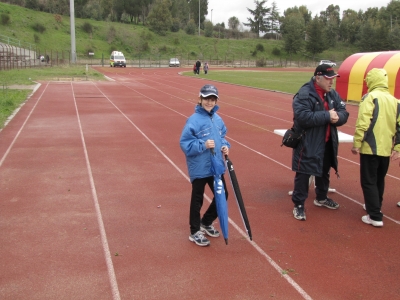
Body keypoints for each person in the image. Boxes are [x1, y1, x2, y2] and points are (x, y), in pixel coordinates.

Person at [291, 64, 349, 221]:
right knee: (304, 172)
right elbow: (303, 117)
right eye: (329, 79)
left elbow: (344, 112)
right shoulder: (304, 94)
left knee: (324, 170)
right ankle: (299, 204)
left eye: (333, 79)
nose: (332, 82)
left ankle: (321, 197)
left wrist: (338, 118)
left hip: (327, 141)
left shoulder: (332, 94)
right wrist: (327, 116)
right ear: (318, 78)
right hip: (308, 142)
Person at [180, 84, 230, 246]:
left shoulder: (218, 119)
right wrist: (202, 144)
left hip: (216, 165)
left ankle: (206, 221)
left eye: (213, 99)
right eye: (207, 99)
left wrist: (225, 146)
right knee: (197, 199)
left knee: (223, 194)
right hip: (200, 167)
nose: (210, 102)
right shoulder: (193, 120)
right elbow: (185, 143)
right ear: (200, 99)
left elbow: (222, 137)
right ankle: (194, 231)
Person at [351, 68, 400, 227]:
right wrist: (397, 148)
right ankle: (374, 205)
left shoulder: (370, 97)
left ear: (371, 81)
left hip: (370, 147)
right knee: (379, 179)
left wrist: (357, 143)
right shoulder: (395, 101)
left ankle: (375, 215)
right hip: (386, 148)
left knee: (368, 180)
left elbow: (363, 122)